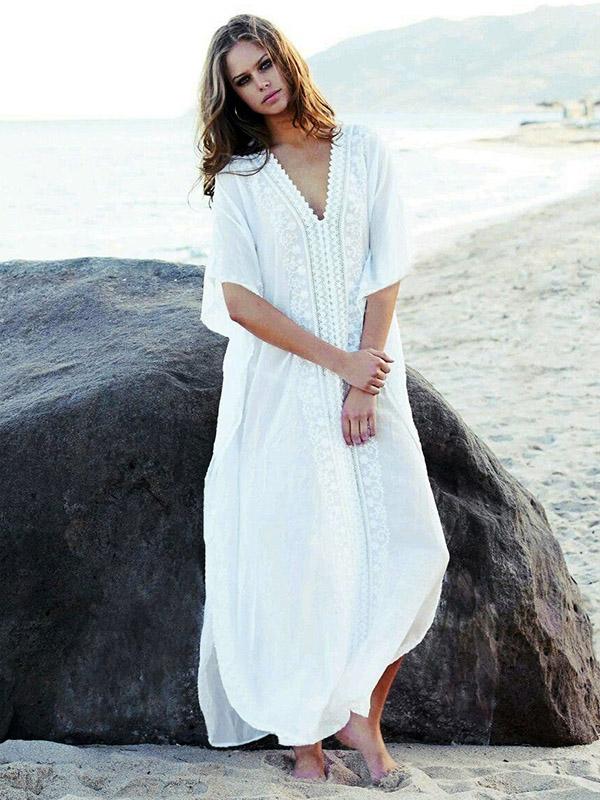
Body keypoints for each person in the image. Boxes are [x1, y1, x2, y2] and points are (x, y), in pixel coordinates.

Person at [195, 13, 450, 789]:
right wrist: (340, 365)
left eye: (265, 65)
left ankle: (360, 715)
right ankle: (308, 745)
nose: (260, 84)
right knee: (303, 560)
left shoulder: (363, 150)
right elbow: (239, 300)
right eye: (243, 79)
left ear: (287, 61)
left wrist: (363, 376)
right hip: (282, 388)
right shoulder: (241, 181)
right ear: (233, 95)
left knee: (414, 551)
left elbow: (386, 266)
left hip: (370, 374)